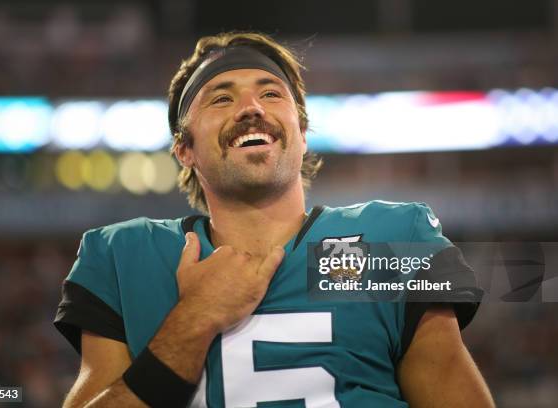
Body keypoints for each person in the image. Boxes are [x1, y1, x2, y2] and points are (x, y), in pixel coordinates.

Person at [54, 31, 495, 407]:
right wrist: (194, 319)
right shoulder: (123, 255)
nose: (251, 108)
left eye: (270, 93)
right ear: (184, 150)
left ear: (302, 134)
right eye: (221, 98)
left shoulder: (393, 239)